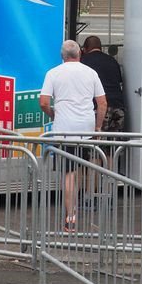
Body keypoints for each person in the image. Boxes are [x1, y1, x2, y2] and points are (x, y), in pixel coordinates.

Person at [39, 39, 107, 231]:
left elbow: (43, 102)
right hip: (85, 129)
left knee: (69, 174)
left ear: (62, 56)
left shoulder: (53, 73)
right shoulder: (91, 73)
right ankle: (90, 200)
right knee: (84, 167)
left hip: (64, 130)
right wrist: (98, 127)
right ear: (80, 54)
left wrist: (55, 114)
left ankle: (71, 217)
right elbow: (102, 103)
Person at [81, 36, 126, 160]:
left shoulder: (84, 62)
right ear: (100, 48)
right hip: (118, 107)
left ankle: (95, 179)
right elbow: (119, 82)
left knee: (95, 149)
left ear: (85, 49)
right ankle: (110, 179)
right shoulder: (112, 61)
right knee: (112, 150)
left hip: (99, 108)